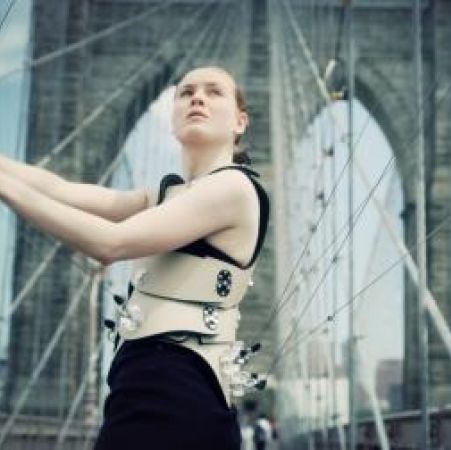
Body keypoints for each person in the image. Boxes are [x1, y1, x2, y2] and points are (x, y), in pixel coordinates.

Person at [0, 66, 270, 449]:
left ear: (240, 122)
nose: (197, 97)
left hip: (180, 388)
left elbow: (110, 243)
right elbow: (58, 189)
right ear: (173, 115)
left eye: (214, 92)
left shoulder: (234, 188)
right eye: (186, 91)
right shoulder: (160, 196)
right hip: (139, 381)